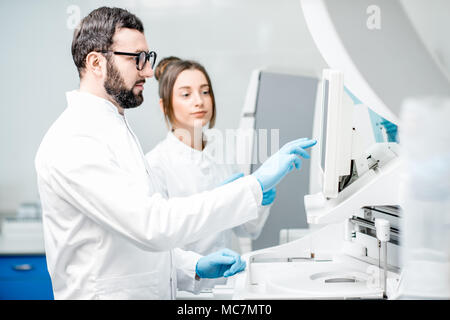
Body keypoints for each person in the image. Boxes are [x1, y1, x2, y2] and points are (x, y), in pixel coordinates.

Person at [34, 7, 316, 299]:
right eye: (137, 59)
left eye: (148, 58)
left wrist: (192, 266)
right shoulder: (75, 140)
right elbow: (152, 225)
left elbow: (131, 244)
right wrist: (254, 185)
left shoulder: (114, 129)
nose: (147, 70)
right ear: (96, 63)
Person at [145, 57, 275, 289]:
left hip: (228, 285)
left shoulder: (221, 151)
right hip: (185, 290)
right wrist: (196, 265)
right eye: (186, 94)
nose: (199, 101)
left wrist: (259, 196)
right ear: (165, 106)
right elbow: (155, 247)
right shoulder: (156, 165)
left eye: (205, 92)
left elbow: (247, 229)